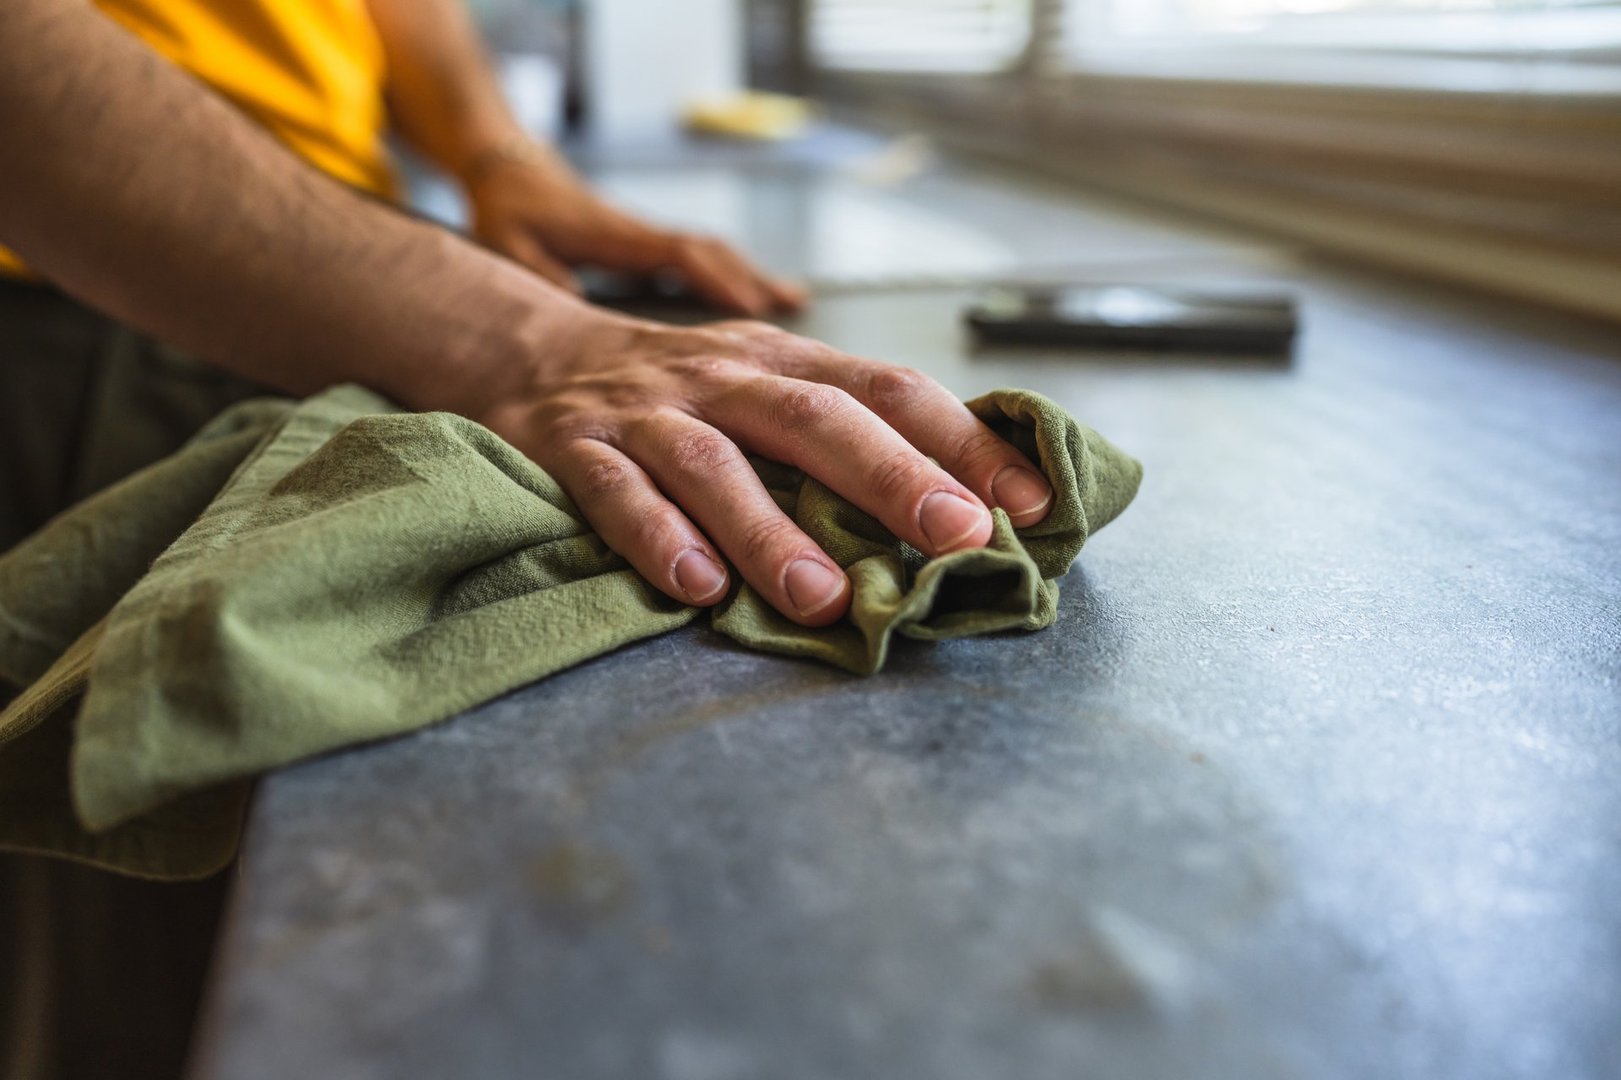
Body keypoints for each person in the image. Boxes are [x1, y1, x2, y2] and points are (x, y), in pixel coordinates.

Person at [0, 2, 1055, 1076]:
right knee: (139, 974)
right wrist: (527, 339)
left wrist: (495, 154)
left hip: (328, 255)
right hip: (71, 290)